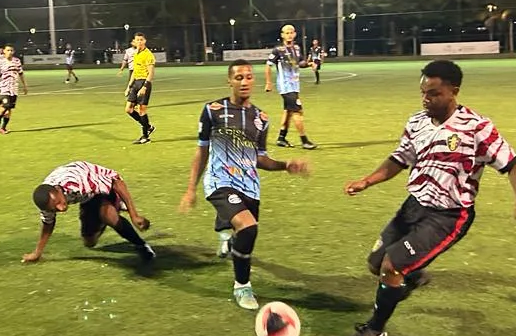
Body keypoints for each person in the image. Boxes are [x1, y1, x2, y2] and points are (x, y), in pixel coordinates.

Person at [339, 59, 516, 336]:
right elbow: (399, 159)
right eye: (423, 93)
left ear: (453, 91)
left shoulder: (476, 128)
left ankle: (375, 330)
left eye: (433, 93)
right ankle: (413, 276)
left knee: (391, 267)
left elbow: (513, 165)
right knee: (374, 263)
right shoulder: (416, 122)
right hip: (414, 206)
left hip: (448, 215)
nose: (426, 100)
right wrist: (367, 181)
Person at [180, 60, 309, 310]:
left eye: (249, 77)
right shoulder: (212, 111)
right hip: (219, 181)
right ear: (229, 81)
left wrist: (285, 165)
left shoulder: (261, 118)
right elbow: (202, 152)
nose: (244, 82)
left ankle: (226, 236)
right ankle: (242, 286)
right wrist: (191, 189)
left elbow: (259, 158)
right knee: (248, 228)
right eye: (239, 77)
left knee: (244, 233)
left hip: (250, 185)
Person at [25, 160, 155, 263]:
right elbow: (48, 224)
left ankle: (141, 245)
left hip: (105, 183)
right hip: (87, 198)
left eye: (58, 203)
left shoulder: (78, 184)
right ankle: (111, 211)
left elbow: (117, 183)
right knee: (89, 242)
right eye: (54, 209)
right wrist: (37, 253)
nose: (61, 208)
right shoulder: (46, 202)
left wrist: (134, 215)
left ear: (58, 191)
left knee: (109, 215)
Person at [265, 24, 317, 149]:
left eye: (291, 32)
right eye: (286, 33)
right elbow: (268, 66)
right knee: (297, 111)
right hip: (285, 86)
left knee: (288, 111)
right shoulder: (278, 50)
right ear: (282, 35)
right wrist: (268, 82)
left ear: (294, 34)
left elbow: (299, 63)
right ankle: (304, 141)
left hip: (294, 85)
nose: (289, 34)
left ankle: (281, 138)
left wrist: (309, 64)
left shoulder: (297, 48)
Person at [0, 44, 27, 133]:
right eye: (8, 50)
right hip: (4, 88)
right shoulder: (0, 62)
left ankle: (3, 128)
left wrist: (25, 86)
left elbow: (21, 74)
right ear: (4, 51)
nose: (10, 52)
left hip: (14, 88)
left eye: (11, 50)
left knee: (9, 109)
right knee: (5, 106)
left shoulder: (17, 61)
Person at [124, 31, 156, 144]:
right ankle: (148, 126)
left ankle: (145, 137)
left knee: (142, 110)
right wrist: (129, 86)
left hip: (144, 83)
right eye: (137, 40)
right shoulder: (136, 53)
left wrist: (144, 87)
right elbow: (134, 72)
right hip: (136, 83)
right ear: (134, 41)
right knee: (128, 109)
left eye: (141, 40)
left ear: (145, 41)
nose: (139, 42)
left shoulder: (148, 54)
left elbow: (151, 73)